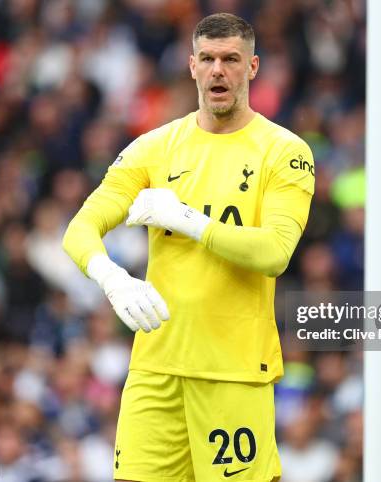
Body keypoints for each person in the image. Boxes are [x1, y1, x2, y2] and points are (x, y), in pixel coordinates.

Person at [63, 12, 314, 482]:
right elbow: (80, 228)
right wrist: (111, 277)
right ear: (192, 66)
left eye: (232, 59)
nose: (219, 70)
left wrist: (189, 221)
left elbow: (275, 252)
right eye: (208, 59)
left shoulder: (284, 151)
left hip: (234, 373)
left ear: (253, 67)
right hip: (154, 370)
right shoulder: (153, 148)